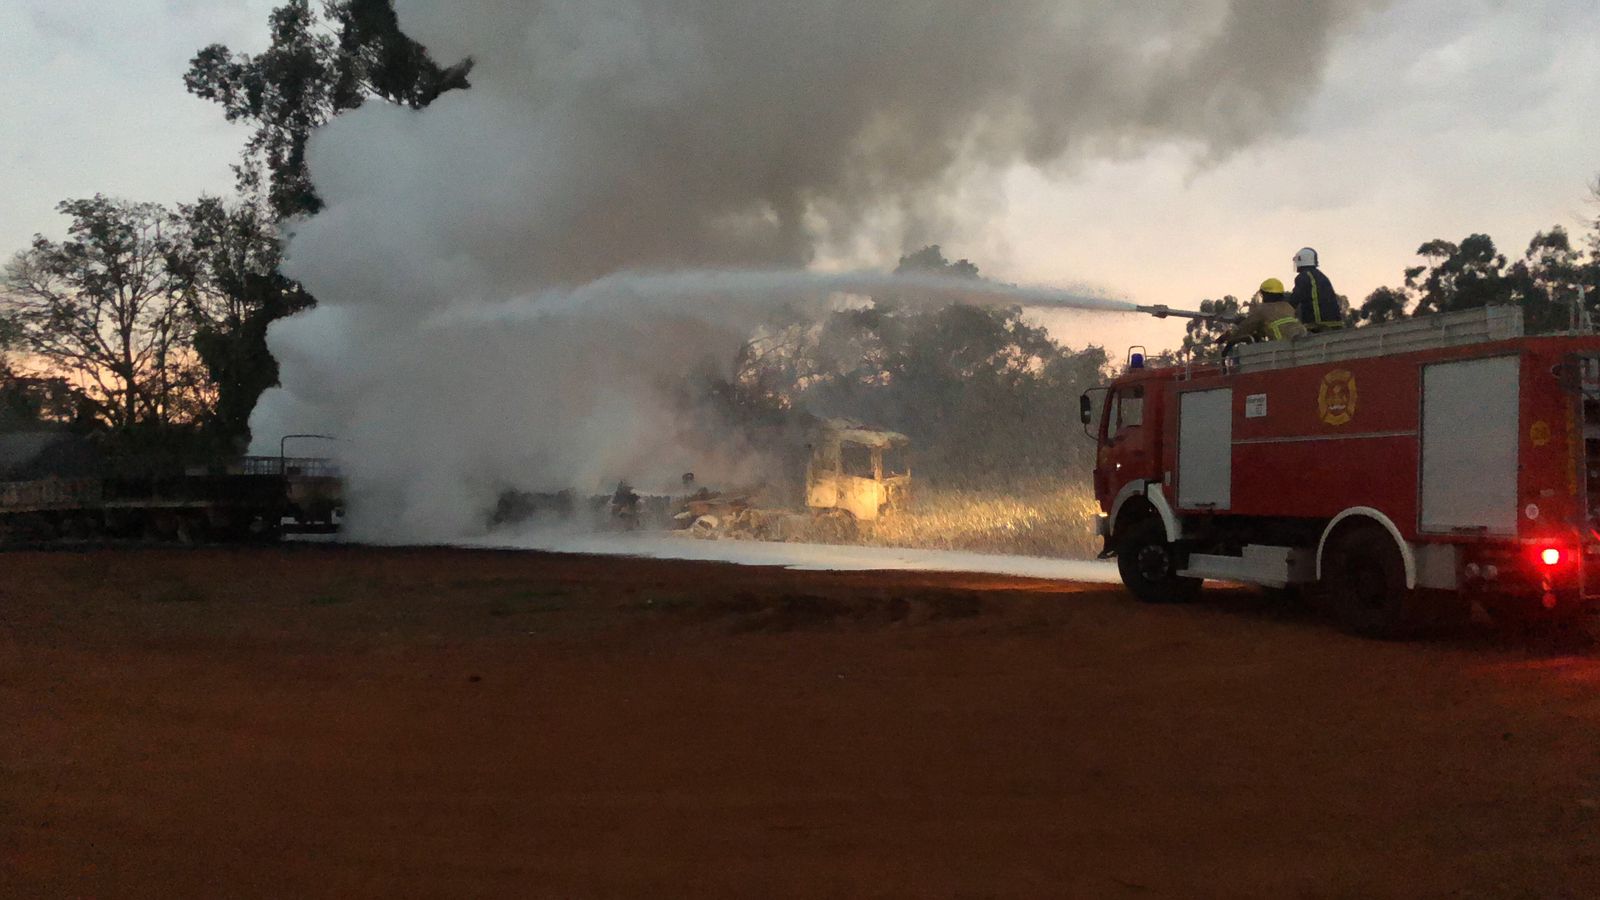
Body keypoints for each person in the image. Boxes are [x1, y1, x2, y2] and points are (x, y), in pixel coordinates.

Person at [1220, 279, 1307, 354]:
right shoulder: (1288, 307)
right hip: (1300, 346)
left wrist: (1229, 337)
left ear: (1266, 295)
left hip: (1281, 349)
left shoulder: (1262, 309)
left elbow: (1245, 328)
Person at [1290, 247, 1344, 332]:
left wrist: (1284, 308)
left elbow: (1295, 298)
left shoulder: (1303, 276)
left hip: (1318, 323)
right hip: (1334, 321)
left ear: (1302, 260)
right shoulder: (1319, 275)